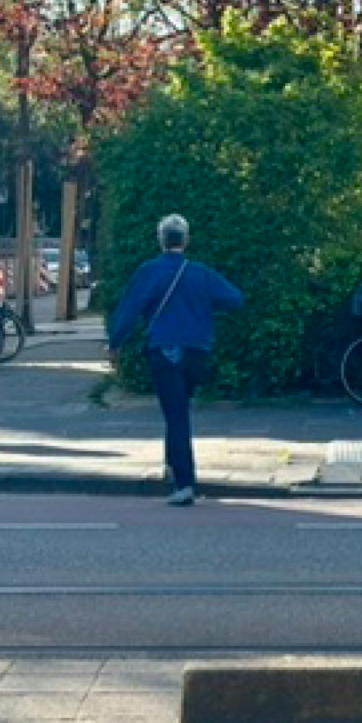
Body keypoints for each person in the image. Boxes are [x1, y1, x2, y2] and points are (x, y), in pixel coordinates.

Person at [106, 214, 243, 507]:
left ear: (161, 240)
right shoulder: (200, 273)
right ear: (186, 240)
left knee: (176, 414)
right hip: (197, 351)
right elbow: (235, 299)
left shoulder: (150, 271)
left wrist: (115, 341)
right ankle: (172, 466)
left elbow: (129, 309)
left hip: (164, 349)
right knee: (178, 410)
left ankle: (184, 483)